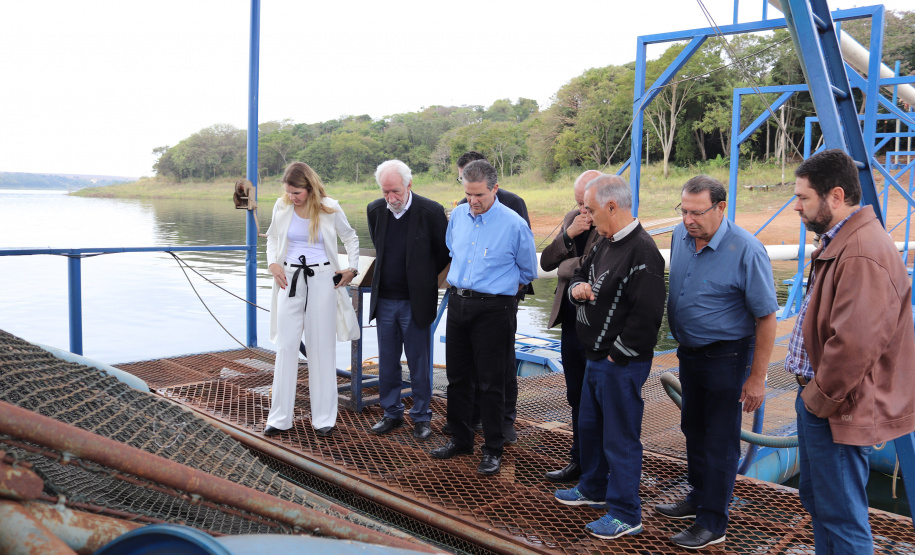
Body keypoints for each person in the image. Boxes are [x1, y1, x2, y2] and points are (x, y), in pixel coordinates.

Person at [786, 149, 915, 554]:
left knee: (841, 516)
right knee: (824, 506)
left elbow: (854, 344)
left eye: (804, 198)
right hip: (827, 404)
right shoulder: (845, 242)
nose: (798, 207)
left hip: (836, 408)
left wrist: (818, 399)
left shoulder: (860, 251)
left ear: (835, 196)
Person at [660, 175, 778, 549]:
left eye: (697, 212)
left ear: (721, 207)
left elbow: (767, 318)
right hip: (689, 353)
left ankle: (713, 523)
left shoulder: (747, 249)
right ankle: (698, 498)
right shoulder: (681, 236)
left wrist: (756, 378)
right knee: (692, 429)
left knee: (720, 440)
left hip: (728, 356)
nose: (688, 220)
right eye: (684, 211)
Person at [553, 175, 665, 540]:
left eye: (591, 209)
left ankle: (626, 513)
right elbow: (582, 269)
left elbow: (646, 316)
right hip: (594, 357)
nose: (585, 215)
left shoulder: (643, 252)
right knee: (590, 427)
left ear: (612, 207)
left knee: (620, 438)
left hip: (619, 363)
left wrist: (617, 355)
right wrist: (577, 287)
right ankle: (593, 488)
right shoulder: (603, 240)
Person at [430, 159, 537, 476]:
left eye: (479, 195)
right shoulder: (459, 216)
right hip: (459, 303)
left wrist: (495, 292)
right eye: (468, 194)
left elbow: (528, 271)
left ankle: (493, 449)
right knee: (458, 378)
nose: (473, 201)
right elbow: (453, 250)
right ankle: (460, 439)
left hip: (494, 308)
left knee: (491, 383)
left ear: (495, 189)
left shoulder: (514, 224)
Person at [264, 161, 361, 438]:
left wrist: (352, 268)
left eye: (297, 193)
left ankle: (323, 419)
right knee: (286, 347)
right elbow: (272, 239)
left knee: (321, 348)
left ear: (309, 187)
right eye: (289, 192)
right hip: (289, 280)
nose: (292, 198)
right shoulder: (282, 206)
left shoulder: (330, 207)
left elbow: (351, 238)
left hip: (322, 281)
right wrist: (273, 264)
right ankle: (280, 418)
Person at [366, 160, 450, 441]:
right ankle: (392, 413)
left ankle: (422, 417)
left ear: (409, 185)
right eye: (386, 191)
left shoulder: (431, 211)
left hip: (416, 302)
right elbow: (379, 247)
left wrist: (422, 279)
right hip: (385, 300)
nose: (391, 198)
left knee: (419, 363)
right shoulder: (375, 210)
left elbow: (443, 255)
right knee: (387, 363)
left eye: (396, 191)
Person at [539, 169, 602, 482]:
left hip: (596, 323)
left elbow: (600, 267)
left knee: (597, 397)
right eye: (579, 204)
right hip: (569, 321)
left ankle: (596, 466)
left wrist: (568, 268)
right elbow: (547, 262)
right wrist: (568, 235)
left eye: (587, 205)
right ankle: (578, 459)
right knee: (575, 393)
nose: (583, 211)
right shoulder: (571, 218)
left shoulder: (610, 221)